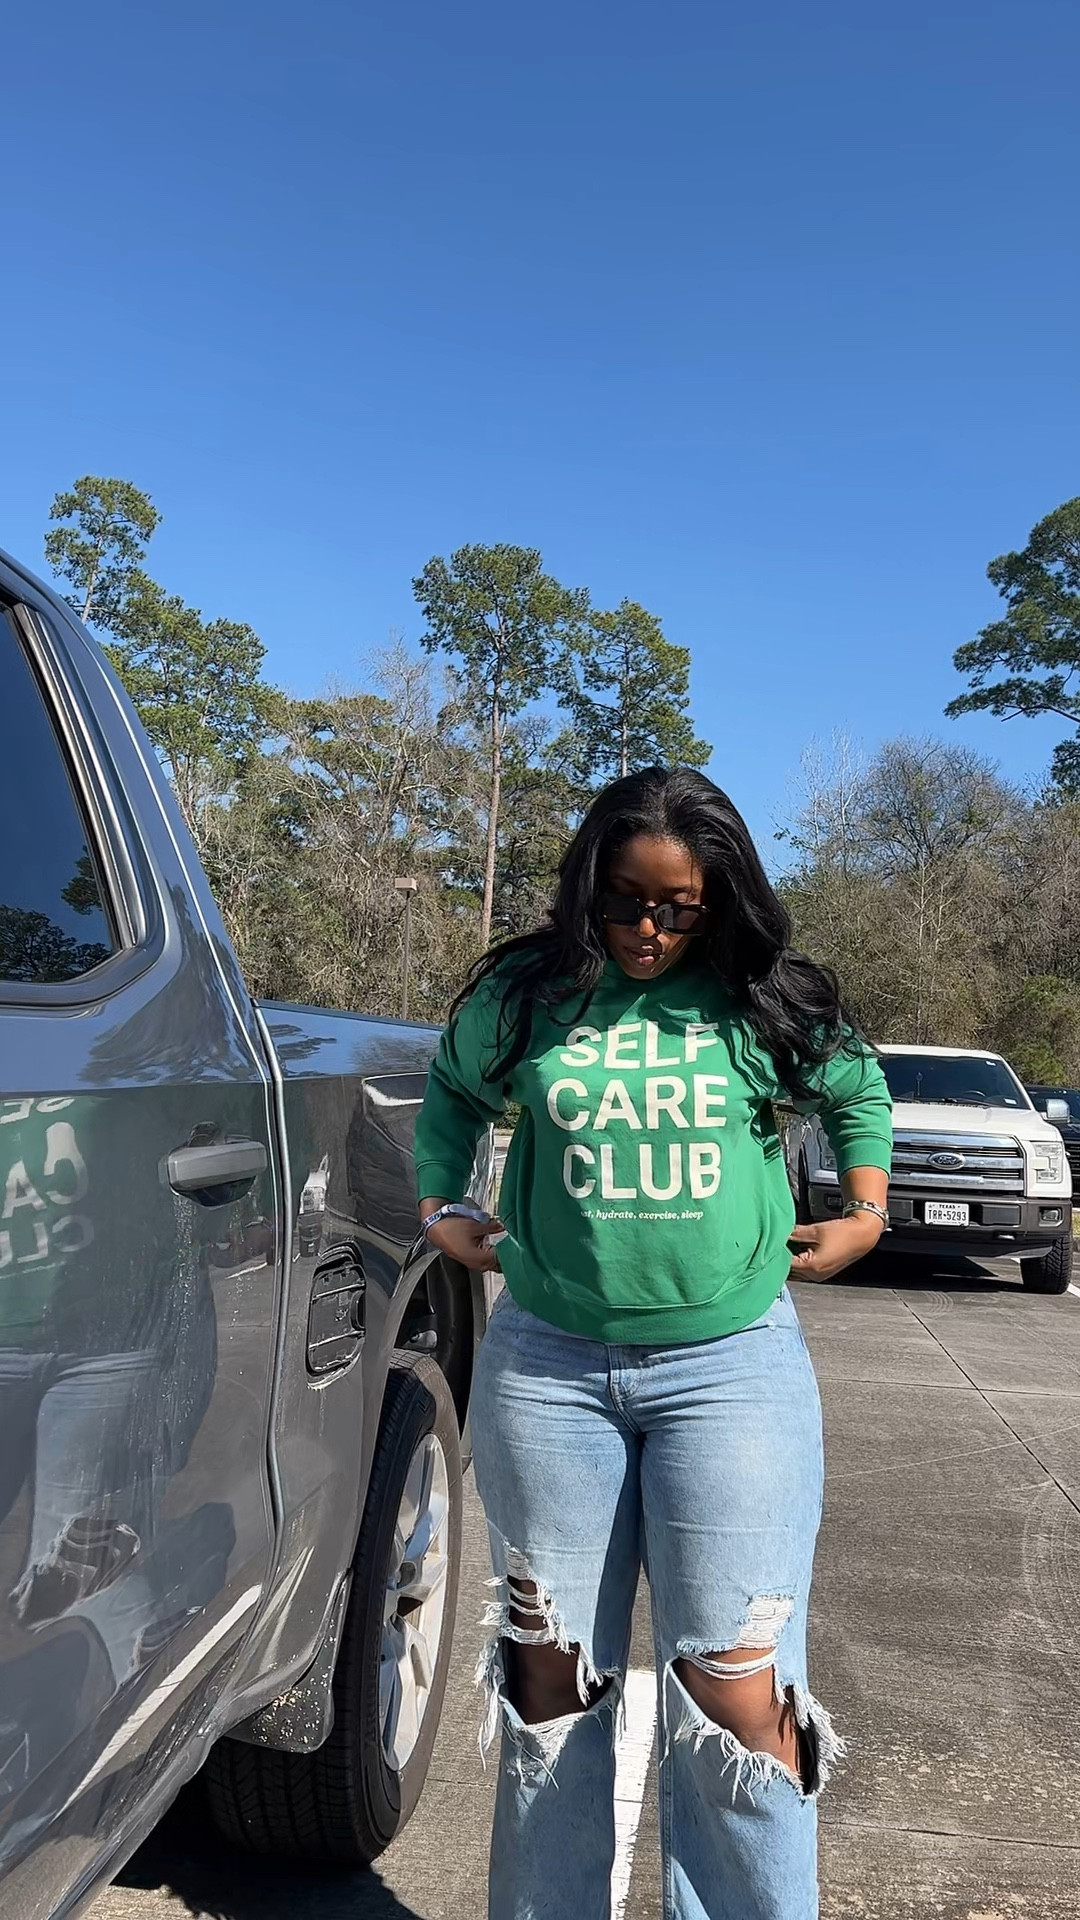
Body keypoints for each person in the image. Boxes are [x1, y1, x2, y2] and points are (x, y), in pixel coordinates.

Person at [414, 766, 892, 1920]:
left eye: (678, 907)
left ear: (719, 898)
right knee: (549, 1692)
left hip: (731, 1372)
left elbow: (857, 1091)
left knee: (741, 1699)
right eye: (624, 900)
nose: (646, 929)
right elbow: (450, 1098)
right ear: (588, 884)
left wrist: (865, 1214)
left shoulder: (760, 998)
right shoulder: (531, 995)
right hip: (548, 1371)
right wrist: (444, 1211)